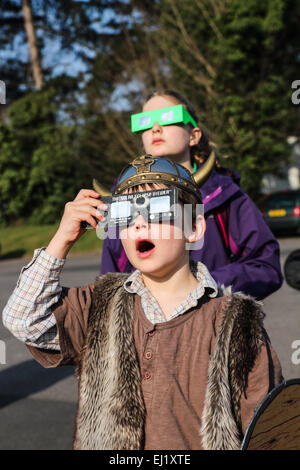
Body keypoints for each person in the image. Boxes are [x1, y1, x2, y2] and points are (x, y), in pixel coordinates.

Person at [3, 154, 282, 450]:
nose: (139, 223)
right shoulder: (99, 305)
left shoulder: (237, 322)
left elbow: (271, 433)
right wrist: (62, 239)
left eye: (158, 208)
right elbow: (23, 319)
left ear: (195, 229)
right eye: (124, 213)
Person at [100, 90, 283, 300]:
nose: (155, 128)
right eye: (144, 122)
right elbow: (109, 285)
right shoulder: (121, 203)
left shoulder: (225, 195)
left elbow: (265, 267)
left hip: (213, 326)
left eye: (169, 118)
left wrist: (205, 286)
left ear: (194, 135)